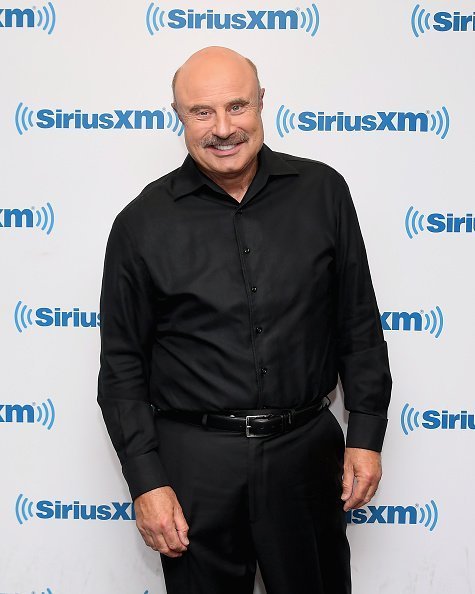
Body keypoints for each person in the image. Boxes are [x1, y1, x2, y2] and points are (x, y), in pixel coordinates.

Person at [97, 46, 391, 594]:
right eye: (202, 112)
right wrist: (147, 483)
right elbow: (121, 368)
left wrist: (367, 433)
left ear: (262, 103)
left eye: (238, 106)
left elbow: (358, 322)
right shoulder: (140, 223)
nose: (224, 128)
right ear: (178, 117)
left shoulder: (323, 192)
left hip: (306, 453)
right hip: (195, 466)